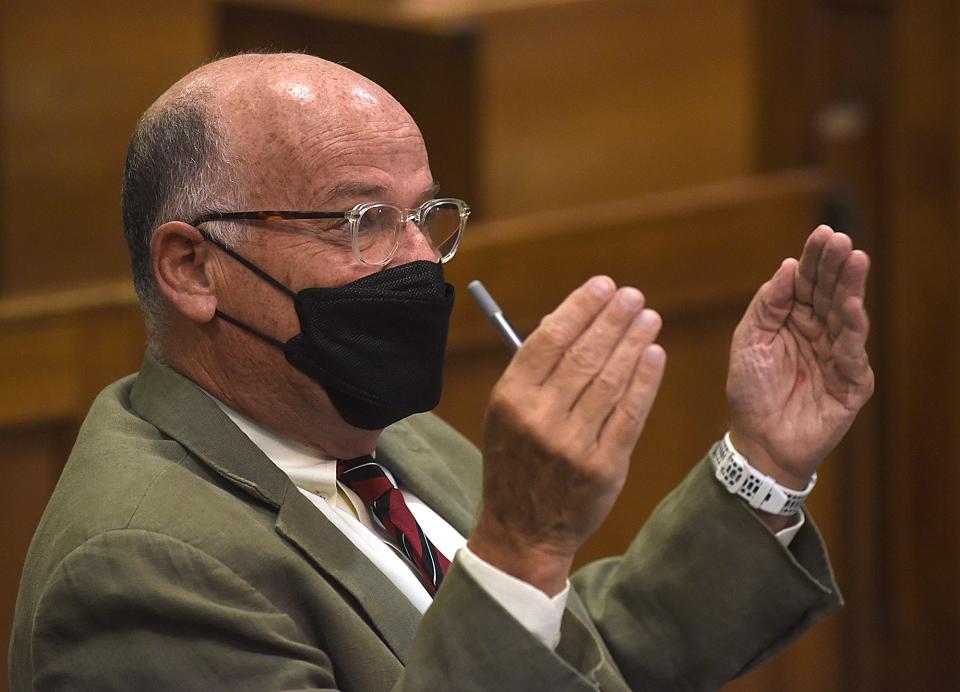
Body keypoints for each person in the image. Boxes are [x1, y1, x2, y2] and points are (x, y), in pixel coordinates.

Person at [9, 53, 873, 691]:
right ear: (193, 267)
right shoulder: (138, 572)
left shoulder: (373, 432)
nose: (421, 262)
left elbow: (580, 657)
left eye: (426, 215)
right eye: (363, 220)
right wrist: (523, 544)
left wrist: (762, 464)